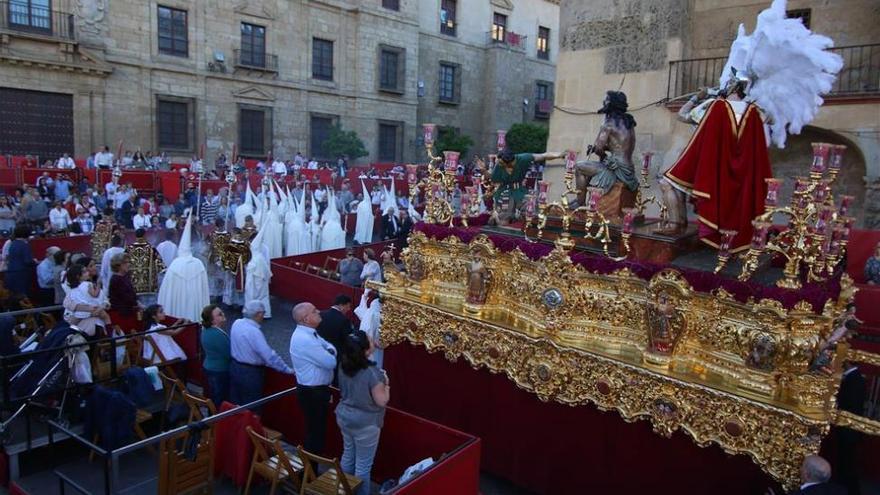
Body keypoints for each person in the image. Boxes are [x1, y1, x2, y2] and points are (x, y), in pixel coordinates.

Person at [335, 330, 390, 495]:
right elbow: (382, 400)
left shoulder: (343, 364)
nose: (373, 341)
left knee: (348, 455)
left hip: (345, 417)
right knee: (363, 466)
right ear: (366, 350)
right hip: (365, 423)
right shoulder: (373, 374)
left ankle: (344, 490)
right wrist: (387, 385)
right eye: (370, 340)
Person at [289, 302, 335, 456]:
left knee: (315, 432)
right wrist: (329, 352)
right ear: (306, 319)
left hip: (313, 391)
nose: (319, 312)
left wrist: (329, 351)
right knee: (315, 434)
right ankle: (310, 473)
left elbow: (330, 348)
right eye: (315, 311)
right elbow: (331, 361)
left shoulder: (309, 333)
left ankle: (309, 471)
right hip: (313, 393)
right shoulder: (306, 339)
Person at [229, 300, 293, 407]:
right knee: (252, 407)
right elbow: (269, 356)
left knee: (235, 405)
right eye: (263, 313)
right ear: (258, 314)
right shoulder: (254, 332)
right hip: (250, 373)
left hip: (235, 367)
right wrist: (286, 370)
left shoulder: (237, 323)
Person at [157, 211, 210, 322]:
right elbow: (204, 291)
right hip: (195, 303)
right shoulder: (198, 264)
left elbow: (166, 293)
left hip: (178, 309)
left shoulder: (175, 265)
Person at [64, 263, 111, 337]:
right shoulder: (86, 285)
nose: (88, 272)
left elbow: (105, 302)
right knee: (106, 318)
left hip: (88, 316)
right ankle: (110, 336)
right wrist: (98, 285)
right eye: (85, 272)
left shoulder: (74, 290)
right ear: (78, 276)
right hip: (86, 323)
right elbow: (95, 295)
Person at [200, 304, 230, 407]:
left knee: (213, 395)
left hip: (209, 366)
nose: (223, 315)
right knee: (220, 398)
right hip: (219, 370)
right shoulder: (217, 334)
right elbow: (228, 353)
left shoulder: (206, 331)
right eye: (219, 314)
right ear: (212, 321)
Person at [107, 253, 141, 333]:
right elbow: (125, 297)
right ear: (118, 265)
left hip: (129, 311)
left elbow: (131, 293)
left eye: (129, 262)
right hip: (122, 314)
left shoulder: (125, 276)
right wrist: (137, 304)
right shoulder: (116, 279)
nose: (128, 264)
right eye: (125, 262)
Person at [354, 289, 384, 368]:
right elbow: (379, 342)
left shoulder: (370, 312)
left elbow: (361, 311)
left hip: (367, 344)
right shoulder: (376, 314)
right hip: (371, 346)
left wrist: (365, 295)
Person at [5, 225, 35, 296]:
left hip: (10, 272)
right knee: (23, 297)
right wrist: (35, 262)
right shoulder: (24, 245)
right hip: (21, 274)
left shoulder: (12, 244)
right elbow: (28, 261)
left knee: (14, 296)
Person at [353, 181, 374, 245]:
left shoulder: (368, 204)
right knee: (360, 230)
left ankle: (366, 239)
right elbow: (358, 212)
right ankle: (358, 239)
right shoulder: (360, 204)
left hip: (367, 219)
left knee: (366, 230)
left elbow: (370, 211)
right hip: (361, 220)